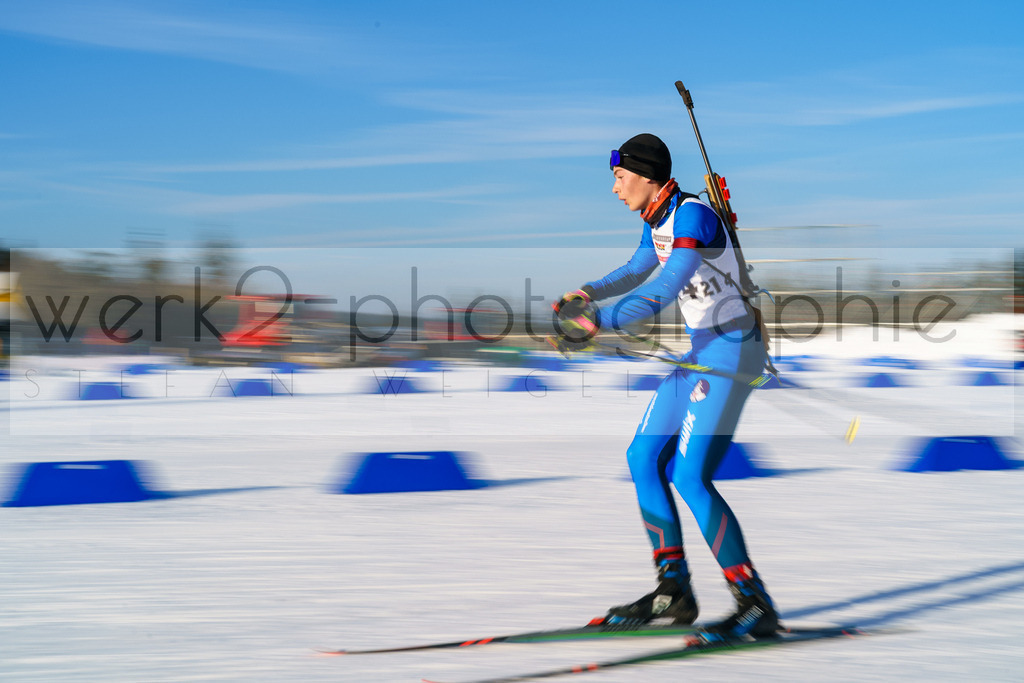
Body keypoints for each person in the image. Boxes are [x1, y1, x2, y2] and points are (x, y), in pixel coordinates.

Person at [552, 133, 778, 638]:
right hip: (701, 351)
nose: (615, 189)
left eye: (618, 177)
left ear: (645, 174)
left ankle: (754, 602)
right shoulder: (660, 218)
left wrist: (598, 321)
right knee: (642, 456)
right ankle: (672, 590)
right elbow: (636, 269)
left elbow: (663, 288)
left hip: (732, 351)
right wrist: (585, 294)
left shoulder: (693, 216)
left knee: (689, 475)